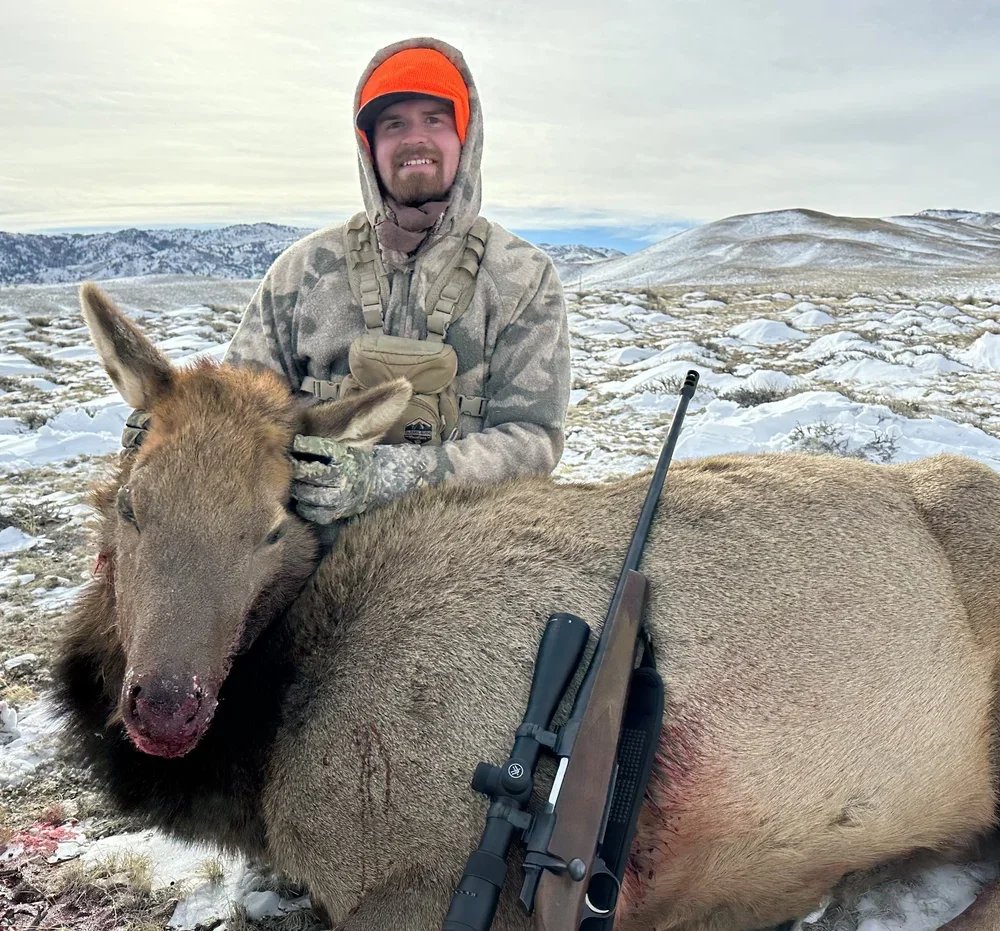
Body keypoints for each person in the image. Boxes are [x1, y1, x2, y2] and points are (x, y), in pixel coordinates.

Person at [124, 37, 571, 526]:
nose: (415, 138)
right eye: (394, 124)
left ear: (466, 137)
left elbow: (533, 440)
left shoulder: (522, 277)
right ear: (369, 147)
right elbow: (235, 411)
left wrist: (388, 478)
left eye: (434, 120)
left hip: (464, 545)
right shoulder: (302, 271)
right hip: (309, 549)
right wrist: (174, 428)